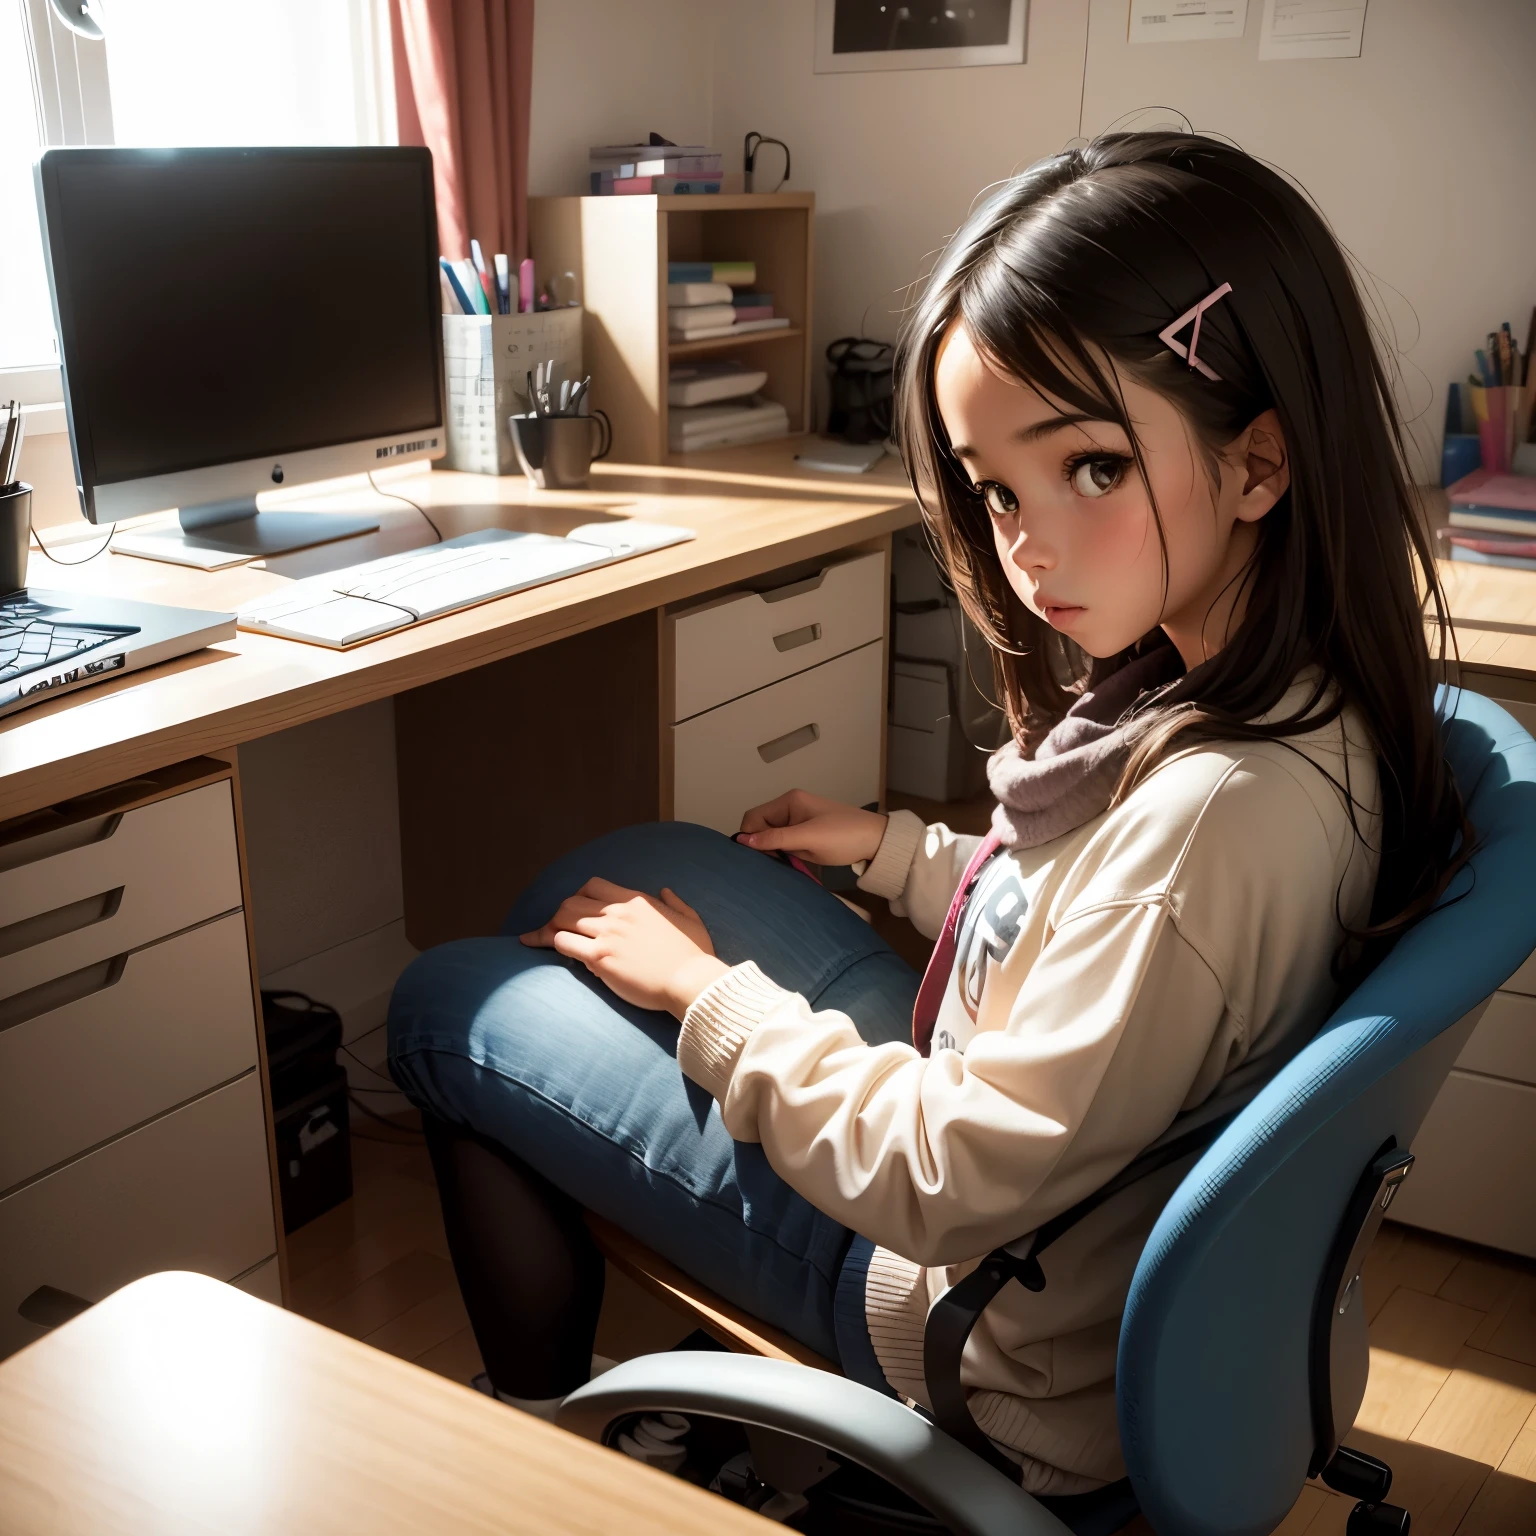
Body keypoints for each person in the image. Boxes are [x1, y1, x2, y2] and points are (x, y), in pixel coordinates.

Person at [387, 131, 1467, 1497]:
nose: (1028, 545)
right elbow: (1105, 933)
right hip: (1042, 1225)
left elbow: (948, 1166)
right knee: (628, 865)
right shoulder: (1288, 698)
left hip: (961, 1311)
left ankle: (534, 1450)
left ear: (1259, 464)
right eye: (998, 488)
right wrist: (902, 851)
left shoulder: (1213, 825)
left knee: (452, 1004)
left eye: (1091, 471)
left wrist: (706, 996)